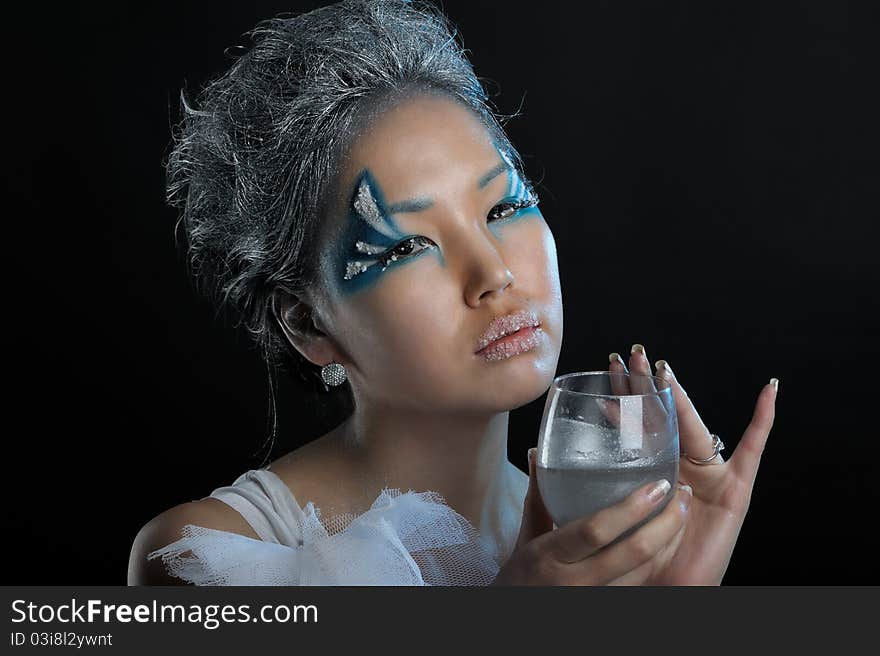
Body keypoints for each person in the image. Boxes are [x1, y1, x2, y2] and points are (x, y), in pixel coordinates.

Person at [127, 0, 779, 586]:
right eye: (408, 245)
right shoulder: (207, 558)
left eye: (504, 208)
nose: (493, 273)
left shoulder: (602, 543)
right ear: (307, 325)